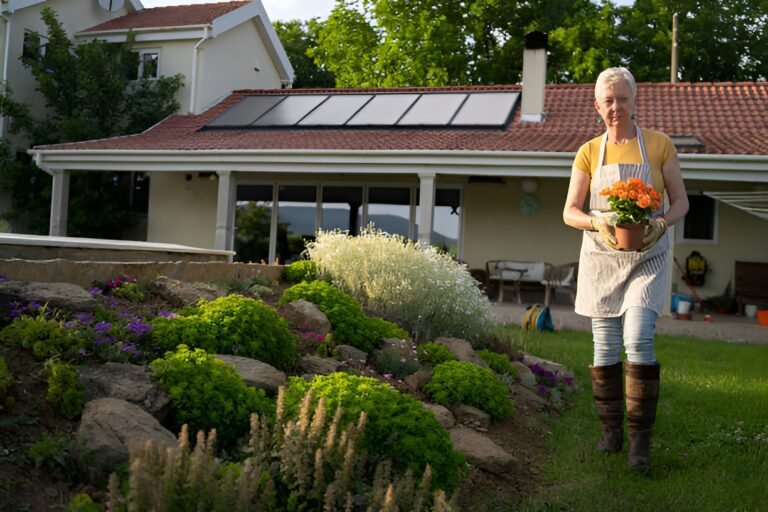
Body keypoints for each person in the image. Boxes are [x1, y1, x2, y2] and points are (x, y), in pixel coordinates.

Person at [562, 67, 689, 471]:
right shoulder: (587, 152)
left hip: (647, 255)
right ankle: (611, 433)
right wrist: (597, 221)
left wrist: (660, 223)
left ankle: (639, 443)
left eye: (623, 99)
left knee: (638, 339)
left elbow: (682, 203)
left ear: (636, 102)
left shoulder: (658, 145)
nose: (616, 107)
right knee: (604, 348)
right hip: (601, 259)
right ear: (597, 106)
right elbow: (570, 211)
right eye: (609, 100)